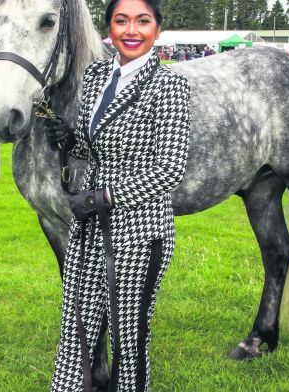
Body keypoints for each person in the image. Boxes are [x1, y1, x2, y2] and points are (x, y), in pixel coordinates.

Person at [45, 0, 190, 390]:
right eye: (121, 20)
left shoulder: (169, 85)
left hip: (139, 233)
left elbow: (169, 169)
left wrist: (101, 198)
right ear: (109, 29)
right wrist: (71, 139)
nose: (131, 30)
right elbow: (99, 150)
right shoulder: (95, 76)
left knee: (128, 339)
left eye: (143, 21)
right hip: (91, 229)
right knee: (77, 327)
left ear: (157, 30)